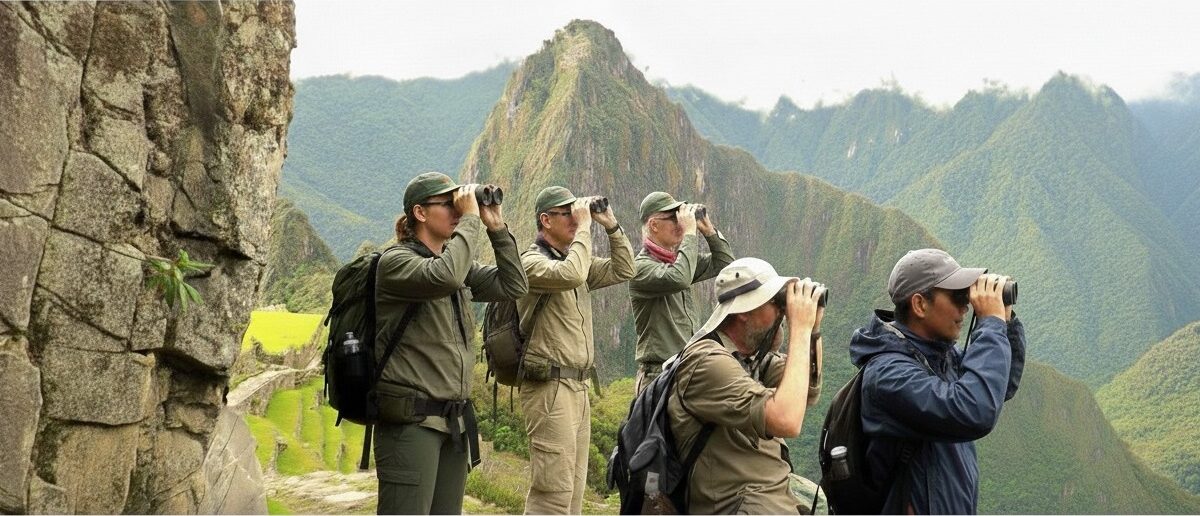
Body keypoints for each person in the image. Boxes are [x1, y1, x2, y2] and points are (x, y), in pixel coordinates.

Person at [372, 172, 529, 514]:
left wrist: (496, 228)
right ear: (420, 213)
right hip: (411, 425)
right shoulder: (396, 262)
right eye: (448, 204)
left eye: (459, 203)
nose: (457, 210)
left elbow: (514, 285)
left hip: (453, 422)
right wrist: (470, 219)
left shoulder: (459, 269)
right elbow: (445, 276)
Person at [849, 248, 1026, 514]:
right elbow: (976, 411)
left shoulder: (939, 357)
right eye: (957, 296)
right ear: (920, 304)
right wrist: (989, 324)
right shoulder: (888, 376)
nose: (965, 306)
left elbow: (999, 386)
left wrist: (1005, 320)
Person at [667, 257, 825, 514]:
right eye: (777, 303)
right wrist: (800, 329)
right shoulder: (706, 361)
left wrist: (812, 331)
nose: (783, 313)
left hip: (772, 500)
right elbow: (786, 420)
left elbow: (808, 392)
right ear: (743, 312)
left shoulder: (753, 359)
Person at [518, 186, 636, 514]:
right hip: (549, 388)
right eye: (566, 213)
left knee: (573, 491)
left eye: (577, 211)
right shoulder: (531, 262)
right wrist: (585, 227)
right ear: (545, 220)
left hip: (579, 386)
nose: (574, 218)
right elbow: (570, 275)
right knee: (552, 490)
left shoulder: (575, 261)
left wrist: (610, 224)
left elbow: (624, 269)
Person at [629, 192, 735, 393]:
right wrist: (689, 234)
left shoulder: (679, 263)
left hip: (687, 371)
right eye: (672, 218)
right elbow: (679, 278)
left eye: (680, 217)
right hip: (658, 376)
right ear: (653, 225)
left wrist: (708, 230)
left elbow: (725, 264)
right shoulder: (640, 268)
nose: (680, 223)